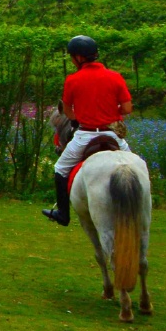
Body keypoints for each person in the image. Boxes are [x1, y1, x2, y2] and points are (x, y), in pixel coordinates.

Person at [43, 35, 132, 226]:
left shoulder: (73, 79)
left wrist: (81, 116)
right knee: (135, 168)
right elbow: (126, 109)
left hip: (86, 135)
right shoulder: (115, 77)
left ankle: (62, 214)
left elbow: (67, 111)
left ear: (79, 58)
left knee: (60, 169)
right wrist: (110, 112)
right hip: (112, 135)